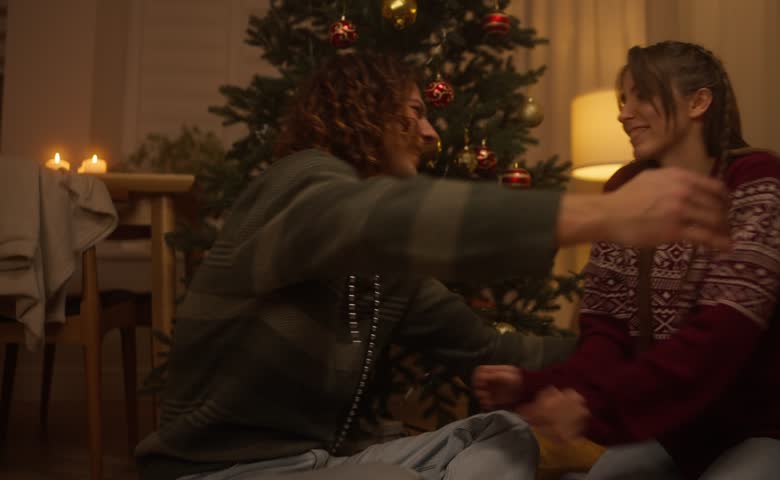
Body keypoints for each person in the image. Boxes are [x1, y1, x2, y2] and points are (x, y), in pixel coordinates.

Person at [134, 51, 731, 480]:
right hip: (224, 469)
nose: (429, 132)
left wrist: (636, 352)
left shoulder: (385, 271)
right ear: (364, 113)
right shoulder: (296, 189)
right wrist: (601, 217)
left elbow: (488, 348)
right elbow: (378, 217)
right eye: (415, 112)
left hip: (331, 460)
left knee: (506, 433)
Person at [474, 41, 780, 480]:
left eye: (642, 95)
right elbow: (606, 336)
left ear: (699, 101)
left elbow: (718, 340)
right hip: (673, 437)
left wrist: (592, 408)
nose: (624, 113)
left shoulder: (756, 180)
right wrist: (537, 386)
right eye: (623, 100)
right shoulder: (625, 190)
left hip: (768, 435)